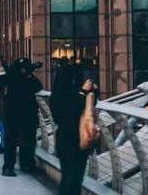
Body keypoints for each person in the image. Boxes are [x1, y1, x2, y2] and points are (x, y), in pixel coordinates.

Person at [50, 63, 96, 195]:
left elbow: (90, 107)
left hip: (80, 139)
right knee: (69, 176)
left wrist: (92, 92)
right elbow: (66, 111)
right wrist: (83, 93)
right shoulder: (58, 95)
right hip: (67, 140)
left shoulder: (76, 92)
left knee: (77, 178)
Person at [2, 58, 43, 177]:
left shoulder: (10, 76)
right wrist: (29, 74)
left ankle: (9, 167)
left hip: (12, 114)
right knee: (27, 140)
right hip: (27, 114)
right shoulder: (26, 78)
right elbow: (38, 87)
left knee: (11, 141)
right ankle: (26, 164)